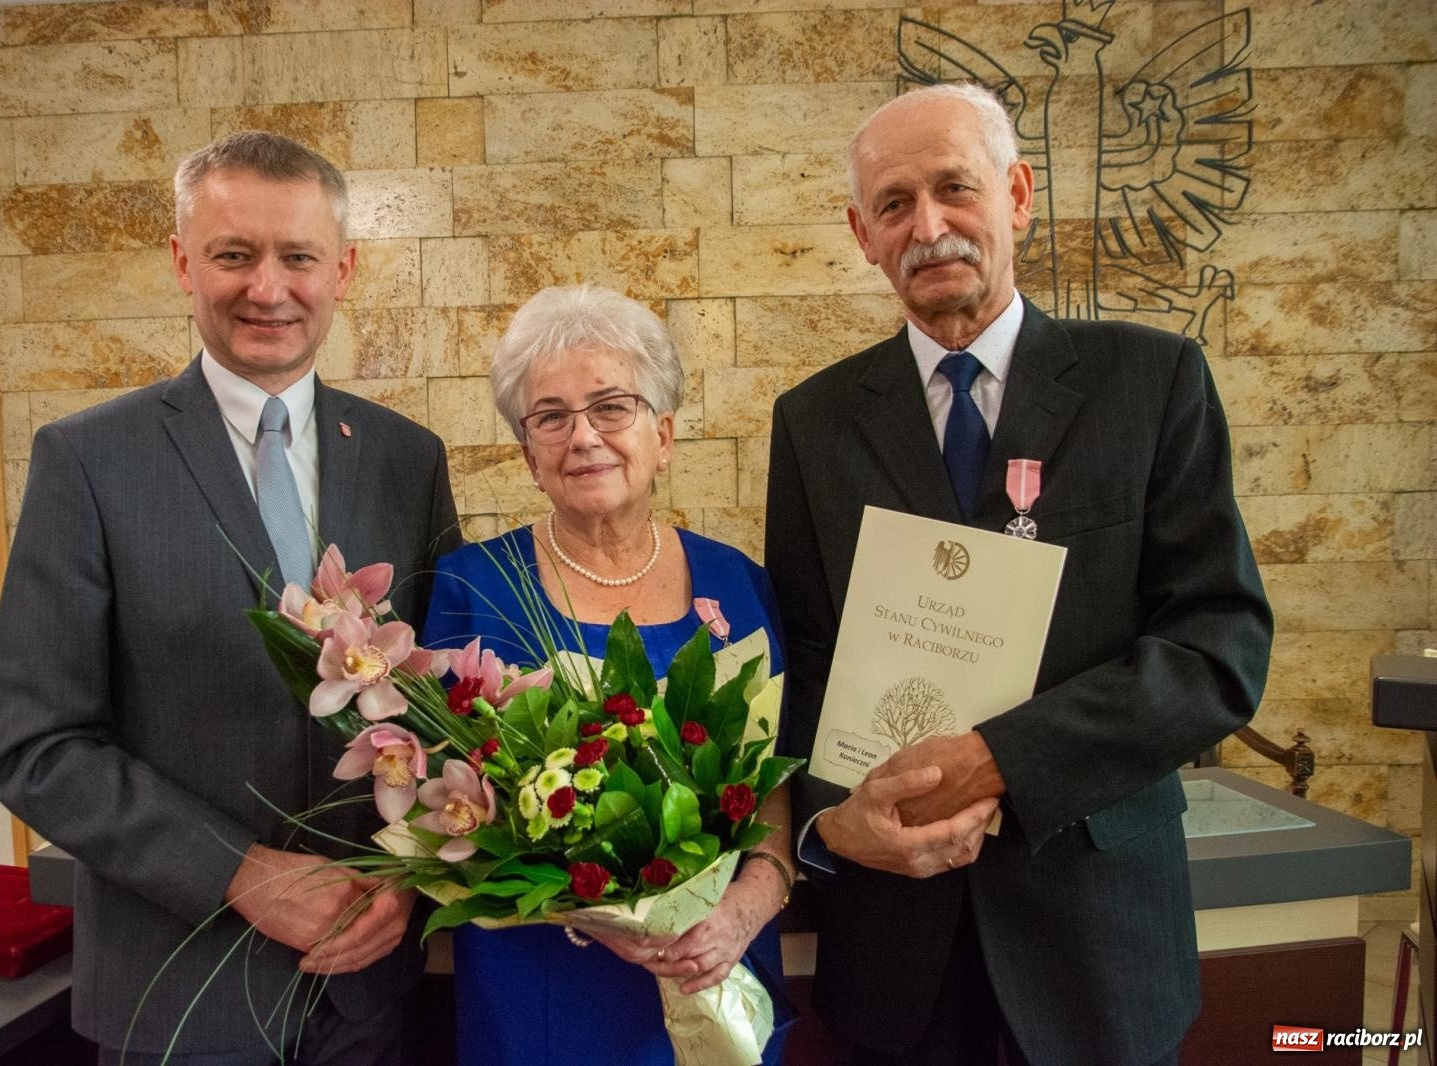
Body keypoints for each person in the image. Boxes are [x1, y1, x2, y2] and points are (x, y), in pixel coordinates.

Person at [764, 83, 1273, 1065]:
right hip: (895, 955)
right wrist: (836, 819)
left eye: (955, 188)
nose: (929, 225)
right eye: (895, 204)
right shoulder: (814, 421)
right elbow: (809, 660)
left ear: (1017, 193)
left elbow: (1218, 647)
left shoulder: (1151, 381)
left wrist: (1003, 757)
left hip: (1097, 943)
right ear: (861, 233)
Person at [0, 131, 460, 1064]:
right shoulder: (87, 462)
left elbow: (445, 707)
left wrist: (413, 876)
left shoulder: (409, 459)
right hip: (177, 992)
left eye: (299, 257)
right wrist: (239, 873)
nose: (268, 288)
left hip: (370, 990)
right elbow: (37, 746)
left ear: (344, 269)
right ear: (181, 262)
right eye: (234, 255)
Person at [420, 283, 795, 1065]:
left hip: (715, 970)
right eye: (551, 417)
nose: (582, 436)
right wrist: (613, 918)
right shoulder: (471, 590)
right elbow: (439, 808)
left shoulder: (739, 584)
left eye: (611, 407)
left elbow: (773, 789)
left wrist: (743, 913)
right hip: (543, 987)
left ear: (662, 434)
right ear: (528, 455)